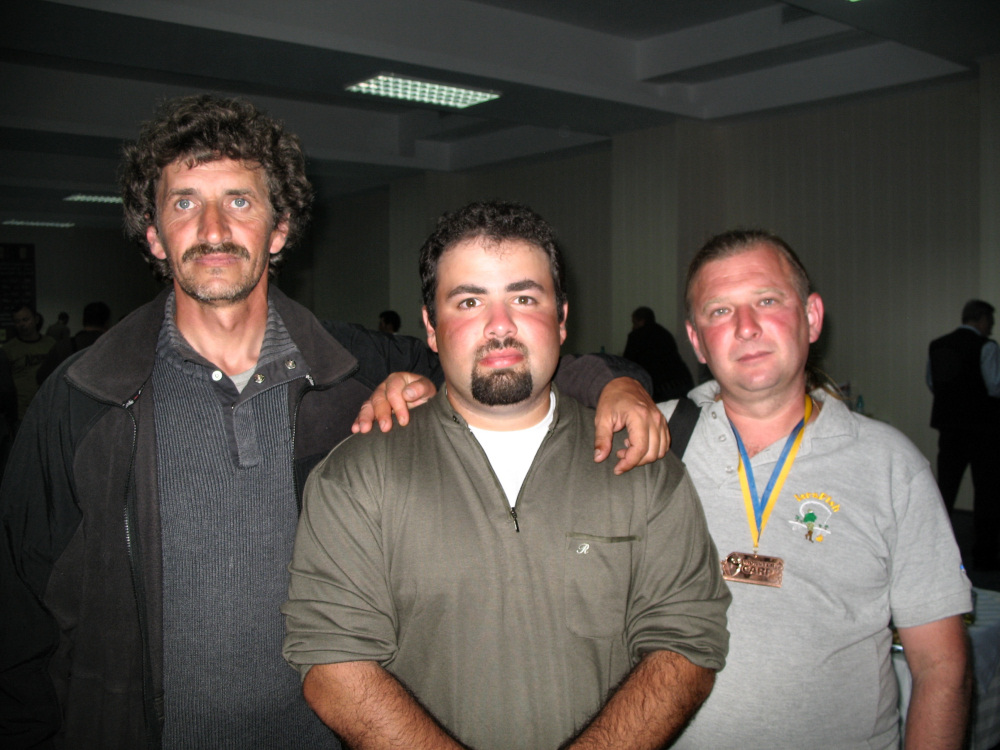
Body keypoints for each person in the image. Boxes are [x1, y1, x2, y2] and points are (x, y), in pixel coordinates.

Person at [0, 96, 664, 749]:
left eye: (239, 201)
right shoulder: (87, 397)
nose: (213, 228)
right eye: (184, 203)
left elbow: (505, 363)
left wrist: (614, 385)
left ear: (279, 230)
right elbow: (18, 618)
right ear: (153, 234)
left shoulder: (353, 369)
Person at [282, 201, 730, 750]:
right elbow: (332, 663)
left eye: (524, 298)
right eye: (469, 301)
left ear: (561, 319)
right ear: (431, 328)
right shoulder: (357, 475)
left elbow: (686, 643)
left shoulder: (643, 469)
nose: (500, 325)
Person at [658, 229, 972, 749]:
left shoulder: (890, 465)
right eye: (720, 311)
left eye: (767, 300)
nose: (746, 327)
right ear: (696, 341)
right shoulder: (647, 441)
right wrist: (615, 384)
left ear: (811, 317)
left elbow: (942, 668)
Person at [927, 299, 1000, 570]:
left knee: (945, 489)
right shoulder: (986, 346)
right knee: (987, 492)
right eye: (990, 322)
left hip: (950, 428)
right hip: (983, 430)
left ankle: (934, 550)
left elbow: (932, 382)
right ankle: (984, 557)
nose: (990, 327)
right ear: (981, 319)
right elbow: (994, 386)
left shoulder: (937, 344)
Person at [623, 305, 694, 401]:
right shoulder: (665, 333)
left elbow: (628, 364)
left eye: (634, 323)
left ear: (641, 321)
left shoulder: (636, 336)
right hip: (681, 381)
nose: (633, 326)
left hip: (660, 388)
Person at [35, 301, 113, 383]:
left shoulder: (63, 344)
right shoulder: (112, 347)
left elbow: (42, 376)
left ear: (83, 320)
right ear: (107, 322)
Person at [3, 304, 55, 423]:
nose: (22, 324)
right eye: (17, 321)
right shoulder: (9, 349)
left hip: (48, 407)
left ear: (36, 319)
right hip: (22, 411)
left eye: (25, 319)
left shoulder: (51, 343)